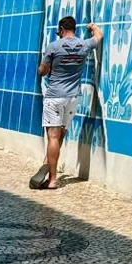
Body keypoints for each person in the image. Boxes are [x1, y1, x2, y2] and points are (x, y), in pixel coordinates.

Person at [34, 16, 102, 190]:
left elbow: (42, 71)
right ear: (74, 28)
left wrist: (43, 68)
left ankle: (53, 179)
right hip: (73, 97)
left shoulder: (54, 46)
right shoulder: (84, 45)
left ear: (61, 29)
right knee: (61, 132)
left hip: (55, 96)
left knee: (53, 136)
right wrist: (92, 26)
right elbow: (99, 36)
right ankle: (48, 161)